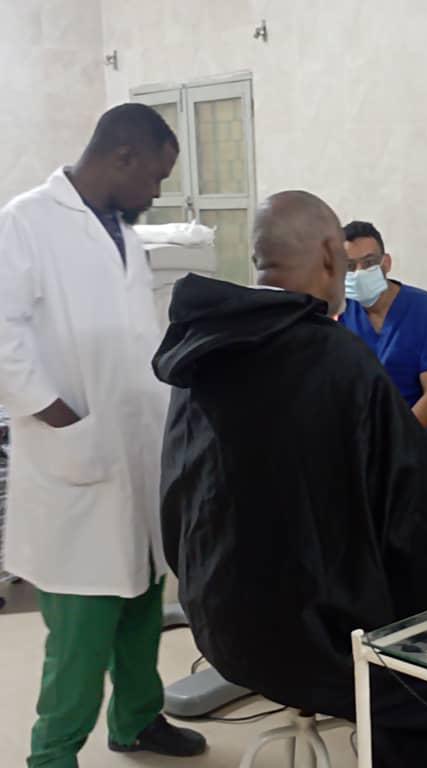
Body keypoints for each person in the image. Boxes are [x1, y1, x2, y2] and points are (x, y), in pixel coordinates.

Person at [153, 191, 427, 767]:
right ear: (333, 256)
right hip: (319, 648)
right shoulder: (337, 360)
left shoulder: (202, 351)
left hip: (223, 629)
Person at [0, 104, 206, 767]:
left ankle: (138, 721)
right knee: (81, 638)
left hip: (135, 456)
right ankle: (52, 755)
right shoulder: (25, 223)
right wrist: (65, 419)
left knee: (142, 603)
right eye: (156, 177)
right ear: (123, 156)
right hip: (76, 464)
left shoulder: (121, 232)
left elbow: (133, 338)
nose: (157, 192)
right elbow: (2, 341)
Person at [341, 220, 427, 455]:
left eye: (369, 263)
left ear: (386, 263)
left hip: (415, 451)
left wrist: (393, 445)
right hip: (359, 452)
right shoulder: (341, 313)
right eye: (350, 266)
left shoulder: (425, 309)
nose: (359, 273)